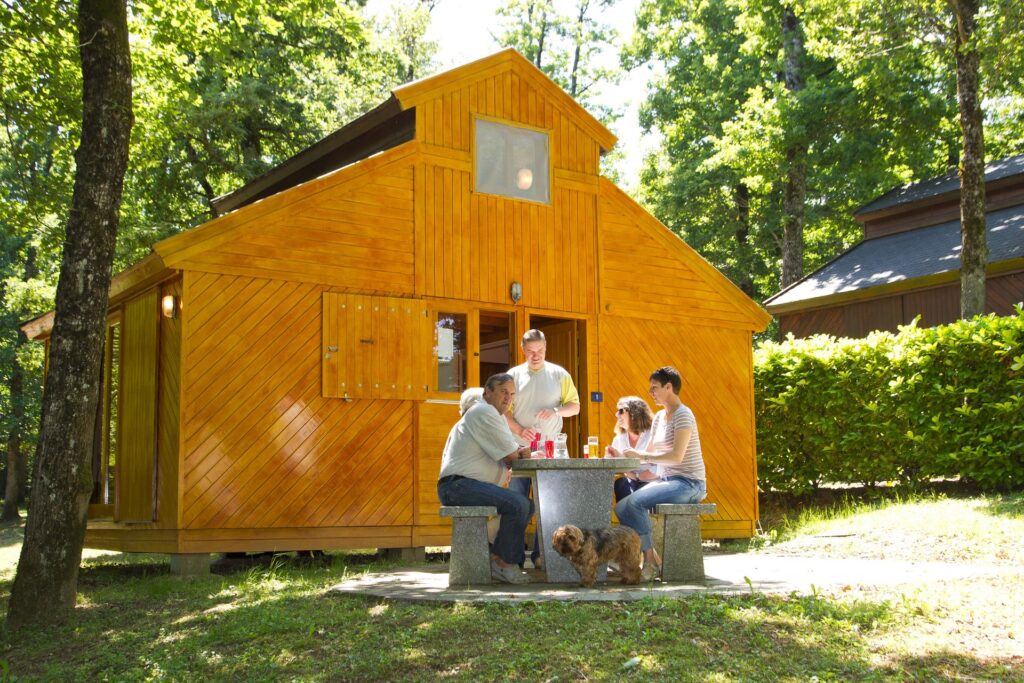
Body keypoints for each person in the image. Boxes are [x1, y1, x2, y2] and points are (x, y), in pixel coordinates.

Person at [437, 374, 536, 584]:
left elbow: (510, 450)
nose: (508, 398)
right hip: (458, 486)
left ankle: (497, 558)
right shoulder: (484, 411)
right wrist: (519, 453)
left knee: (526, 505)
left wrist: (517, 453)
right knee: (518, 504)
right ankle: (505, 564)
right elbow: (511, 455)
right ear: (487, 393)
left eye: (512, 394)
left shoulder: (494, 416)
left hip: (463, 485)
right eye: (503, 392)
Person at [613, 366, 707, 580]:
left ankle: (648, 562)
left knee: (634, 504)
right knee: (622, 507)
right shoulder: (659, 418)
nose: (650, 392)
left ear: (669, 387)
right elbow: (652, 453)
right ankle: (652, 557)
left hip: (690, 483)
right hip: (668, 480)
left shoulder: (683, 415)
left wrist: (641, 456)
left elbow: (676, 457)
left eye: (654, 388)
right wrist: (625, 455)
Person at [504, 328, 581, 568]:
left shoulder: (559, 374)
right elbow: (501, 411)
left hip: (551, 449)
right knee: (517, 503)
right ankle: (513, 559)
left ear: (546, 347)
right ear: (522, 350)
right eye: (530, 352)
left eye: (540, 351)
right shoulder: (512, 376)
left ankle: (541, 557)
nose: (535, 356)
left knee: (549, 504)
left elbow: (575, 406)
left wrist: (556, 411)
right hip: (520, 449)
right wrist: (518, 428)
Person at [605, 396, 658, 502]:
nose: (616, 414)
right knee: (621, 484)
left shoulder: (653, 434)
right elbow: (613, 469)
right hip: (631, 482)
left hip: (653, 482)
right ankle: (628, 517)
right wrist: (614, 458)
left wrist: (636, 476)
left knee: (641, 490)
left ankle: (633, 517)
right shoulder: (619, 438)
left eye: (621, 411)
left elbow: (660, 467)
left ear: (635, 414)